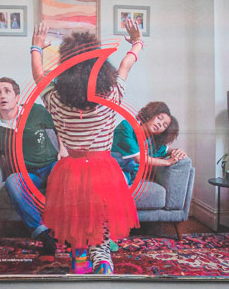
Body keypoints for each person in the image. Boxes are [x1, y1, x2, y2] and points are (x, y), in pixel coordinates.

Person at [30, 19, 144, 274]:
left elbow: (38, 75)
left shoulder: (54, 99)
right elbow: (127, 64)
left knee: (76, 220)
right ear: (100, 67)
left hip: (70, 170)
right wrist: (137, 42)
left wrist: (36, 47)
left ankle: (79, 260)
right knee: (99, 220)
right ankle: (102, 260)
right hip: (103, 169)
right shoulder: (113, 94)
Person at [0, 76, 60, 255]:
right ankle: (43, 235)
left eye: (7, 91)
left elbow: (59, 127)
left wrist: (62, 148)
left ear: (17, 97)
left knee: (68, 175)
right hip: (26, 174)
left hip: (50, 166)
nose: (2, 95)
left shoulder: (36, 111)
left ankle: (68, 230)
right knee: (12, 182)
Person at [112, 101, 189, 185]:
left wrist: (178, 151)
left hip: (126, 176)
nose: (160, 124)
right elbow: (138, 158)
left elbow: (166, 150)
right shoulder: (127, 126)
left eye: (164, 125)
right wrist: (168, 162)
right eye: (159, 118)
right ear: (150, 115)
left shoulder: (153, 144)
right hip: (109, 168)